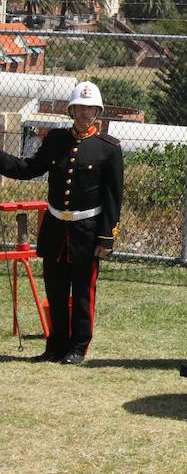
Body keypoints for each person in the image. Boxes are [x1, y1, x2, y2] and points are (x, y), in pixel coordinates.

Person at [0, 81, 124, 365]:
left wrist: (106, 239)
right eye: (80, 107)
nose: (85, 113)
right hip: (56, 228)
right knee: (55, 292)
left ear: (98, 111)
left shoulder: (109, 149)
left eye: (91, 108)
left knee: (82, 293)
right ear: (72, 110)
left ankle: (78, 347)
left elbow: (113, 198)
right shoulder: (56, 141)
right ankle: (54, 346)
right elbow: (29, 169)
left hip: (87, 231)